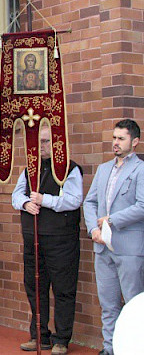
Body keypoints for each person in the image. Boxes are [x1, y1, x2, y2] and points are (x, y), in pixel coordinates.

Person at [11, 127, 83, 354]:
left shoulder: (70, 169)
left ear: (57, 144)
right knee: (35, 287)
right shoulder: (30, 169)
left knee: (63, 289)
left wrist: (45, 200)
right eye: (37, 142)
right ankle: (39, 336)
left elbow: (74, 199)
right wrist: (24, 203)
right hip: (34, 238)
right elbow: (16, 194)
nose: (39, 146)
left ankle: (61, 339)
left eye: (44, 142)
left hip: (61, 239)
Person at [83, 119, 143, 355]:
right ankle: (109, 348)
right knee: (108, 304)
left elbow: (142, 205)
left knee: (134, 306)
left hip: (129, 249)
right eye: (114, 138)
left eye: (121, 138)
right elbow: (90, 202)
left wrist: (111, 220)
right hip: (103, 247)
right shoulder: (104, 168)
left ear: (135, 142)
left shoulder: (140, 169)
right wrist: (93, 229)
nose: (115, 143)